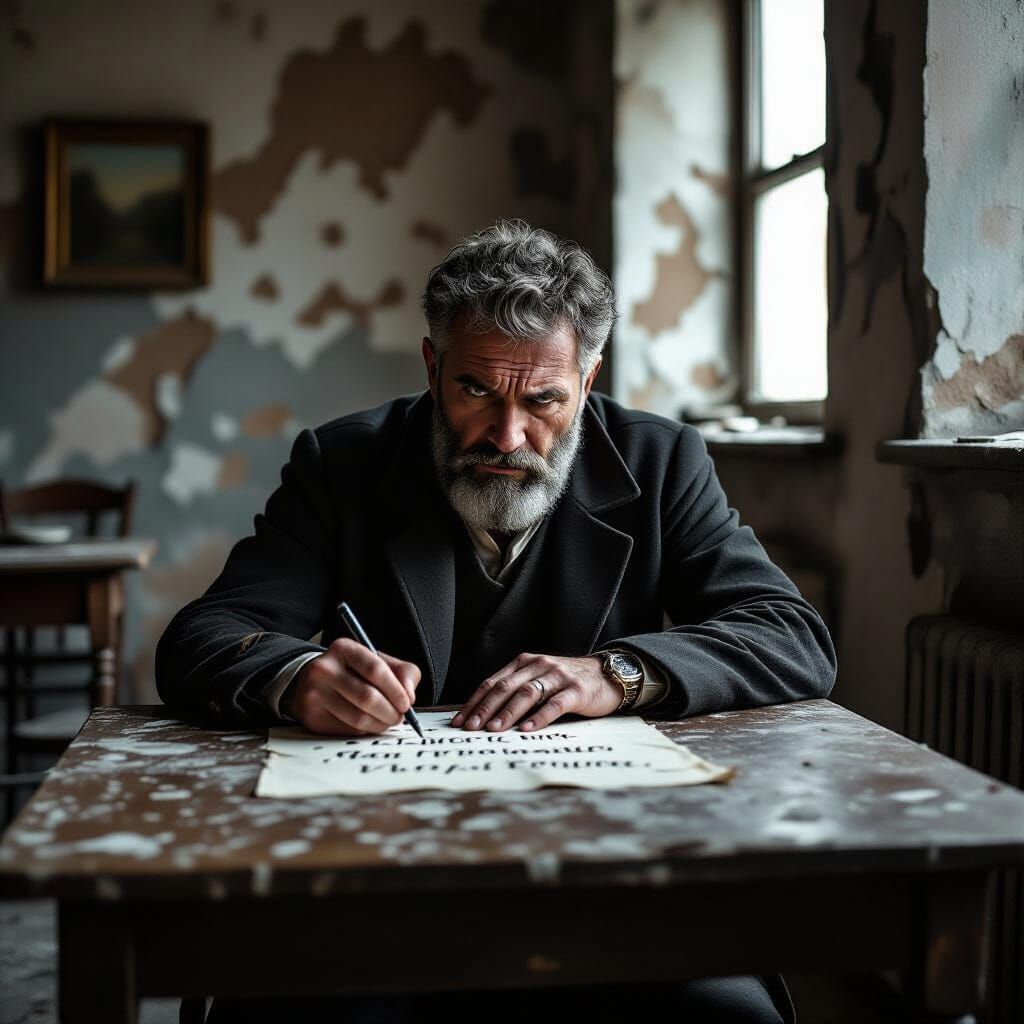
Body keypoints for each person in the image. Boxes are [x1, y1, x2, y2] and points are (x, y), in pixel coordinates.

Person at [156, 220, 836, 1024]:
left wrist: (615, 672)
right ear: (432, 366)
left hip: (612, 879)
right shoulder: (343, 465)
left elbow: (791, 634)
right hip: (377, 884)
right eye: (476, 390)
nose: (506, 438)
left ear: (587, 381)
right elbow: (203, 636)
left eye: (543, 399)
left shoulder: (663, 462)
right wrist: (295, 676)